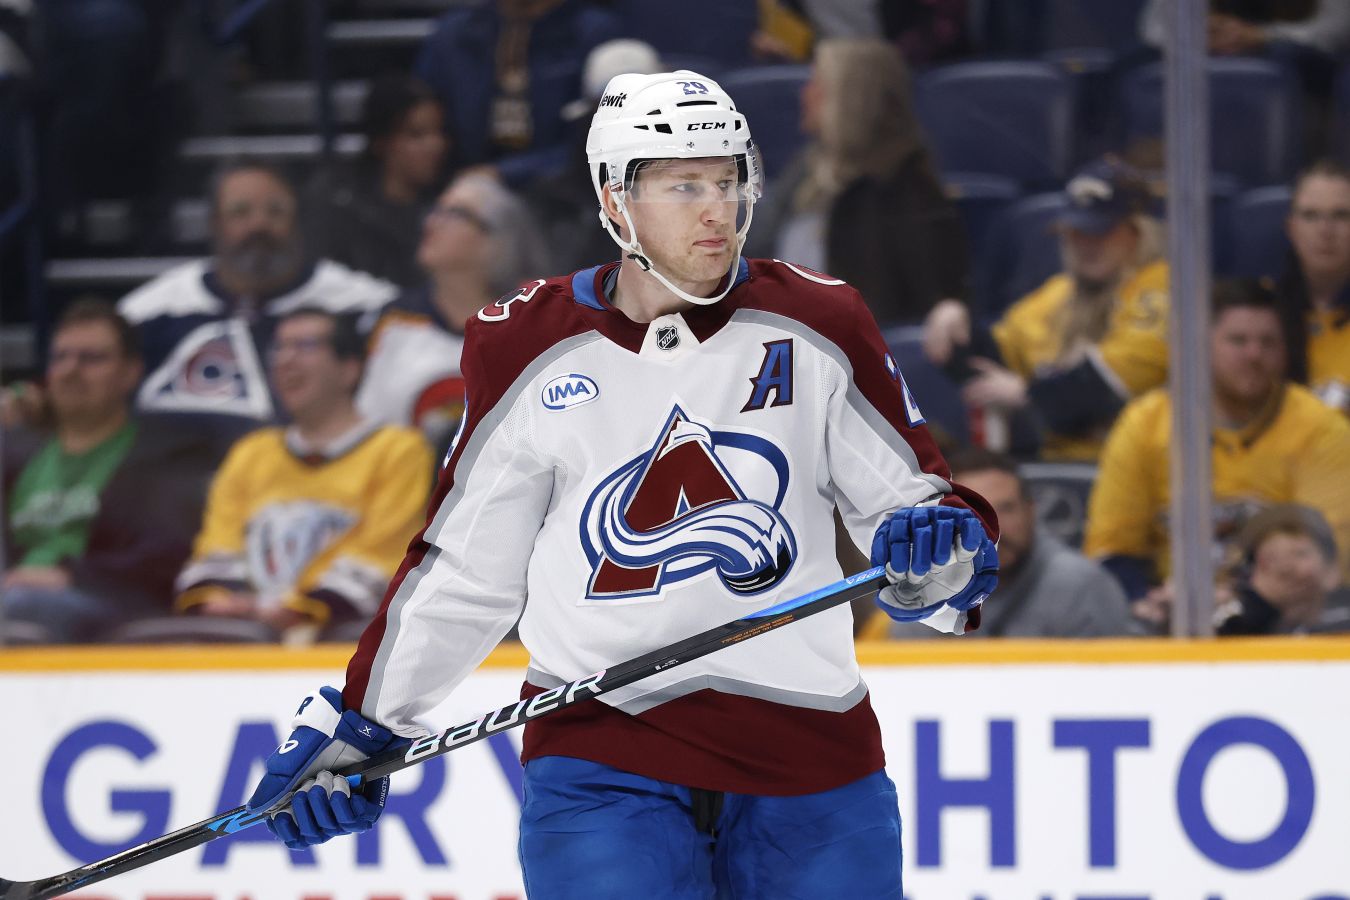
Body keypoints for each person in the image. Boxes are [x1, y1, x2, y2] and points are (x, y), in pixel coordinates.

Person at [239, 70, 999, 897]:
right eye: (683, 186)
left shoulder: (820, 321)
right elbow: (468, 569)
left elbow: (921, 527)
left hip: (811, 753)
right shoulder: (524, 343)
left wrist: (941, 558)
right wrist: (364, 720)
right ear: (615, 199)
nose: (717, 210)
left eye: (728, 180)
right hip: (604, 756)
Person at [1084, 278, 1350, 624]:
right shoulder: (1145, 423)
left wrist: (1242, 604)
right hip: (1169, 616)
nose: (1254, 354)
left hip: (1284, 620)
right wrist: (1144, 601)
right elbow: (1111, 549)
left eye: (1268, 342)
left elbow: (1328, 560)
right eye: (1238, 341)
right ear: (1200, 346)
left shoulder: (1321, 428)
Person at [175, 308, 433, 639]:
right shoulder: (252, 452)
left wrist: (299, 608)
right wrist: (223, 600)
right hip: (245, 632)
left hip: (343, 637)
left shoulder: (399, 450)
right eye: (279, 348)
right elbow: (218, 543)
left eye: (305, 346)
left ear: (349, 369)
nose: (286, 360)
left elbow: (383, 554)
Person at [117, 160, 397, 437]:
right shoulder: (149, 312)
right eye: (240, 212)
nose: (259, 225)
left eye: (275, 211)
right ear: (214, 224)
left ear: (298, 221)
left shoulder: (365, 306)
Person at [924, 156, 1170, 461]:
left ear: (1139, 231)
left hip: (1146, 467)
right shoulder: (1059, 294)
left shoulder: (1164, 289)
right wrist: (953, 320)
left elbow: (1106, 388)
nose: (1085, 243)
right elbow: (994, 358)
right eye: (1076, 230)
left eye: (1101, 231)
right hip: (1062, 464)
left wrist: (1026, 394)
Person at [2, 300, 220, 642]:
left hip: (109, 603)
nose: (71, 370)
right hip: (15, 597)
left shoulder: (166, 454)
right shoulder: (16, 451)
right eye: (61, 357)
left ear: (130, 373)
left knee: (24, 604)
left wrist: (69, 576)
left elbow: (164, 555)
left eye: (91, 359)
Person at [747, 38, 967, 327]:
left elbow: (932, 298)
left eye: (817, 84)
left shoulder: (906, 188)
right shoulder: (806, 170)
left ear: (849, 98)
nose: (805, 93)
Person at [357, 172, 551, 452]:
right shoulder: (392, 320)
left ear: (497, 240)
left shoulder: (535, 327)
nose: (431, 222)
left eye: (455, 213)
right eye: (435, 210)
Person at [866, 448, 1134, 640]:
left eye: (1006, 509)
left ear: (1031, 511)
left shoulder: (1080, 585)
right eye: (974, 513)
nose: (994, 529)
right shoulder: (920, 578)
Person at [414, 0, 620, 186]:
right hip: (462, 181)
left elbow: (605, 143)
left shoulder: (595, 33)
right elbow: (420, 121)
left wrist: (507, 173)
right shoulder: (455, 33)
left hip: (561, 187)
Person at [302, 76, 451, 290]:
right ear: (381, 141)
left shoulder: (452, 207)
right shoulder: (337, 200)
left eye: (440, 132)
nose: (436, 145)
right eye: (417, 135)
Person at [1279, 158, 1350, 414]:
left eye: (1341, 215)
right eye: (1311, 216)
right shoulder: (1259, 312)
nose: (1325, 230)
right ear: (1291, 228)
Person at [1214, 504, 1350, 635]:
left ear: (1330, 563)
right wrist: (1259, 603)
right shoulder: (1239, 623)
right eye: (1271, 557)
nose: (1286, 567)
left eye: (1300, 554)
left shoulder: (1341, 615)